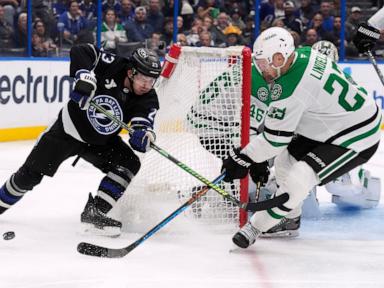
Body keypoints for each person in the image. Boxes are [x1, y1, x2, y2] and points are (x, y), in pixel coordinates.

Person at [221, 27, 381, 249]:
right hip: (327, 123)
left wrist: (242, 158)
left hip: (357, 134)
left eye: (263, 63)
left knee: (299, 179)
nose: (260, 68)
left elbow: (274, 141)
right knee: (284, 162)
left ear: (279, 58)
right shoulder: (303, 54)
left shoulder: (290, 87)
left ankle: (256, 227)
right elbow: (279, 137)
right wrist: (250, 158)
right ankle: (289, 218)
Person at [0, 45, 162, 237]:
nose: (146, 85)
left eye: (151, 80)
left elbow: (144, 123)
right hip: (67, 132)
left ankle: (96, 212)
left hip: (101, 143)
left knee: (129, 164)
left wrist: (143, 137)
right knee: (29, 176)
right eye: (143, 78)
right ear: (130, 72)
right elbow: (81, 50)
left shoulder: (148, 98)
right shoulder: (113, 65)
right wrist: (84, 76)